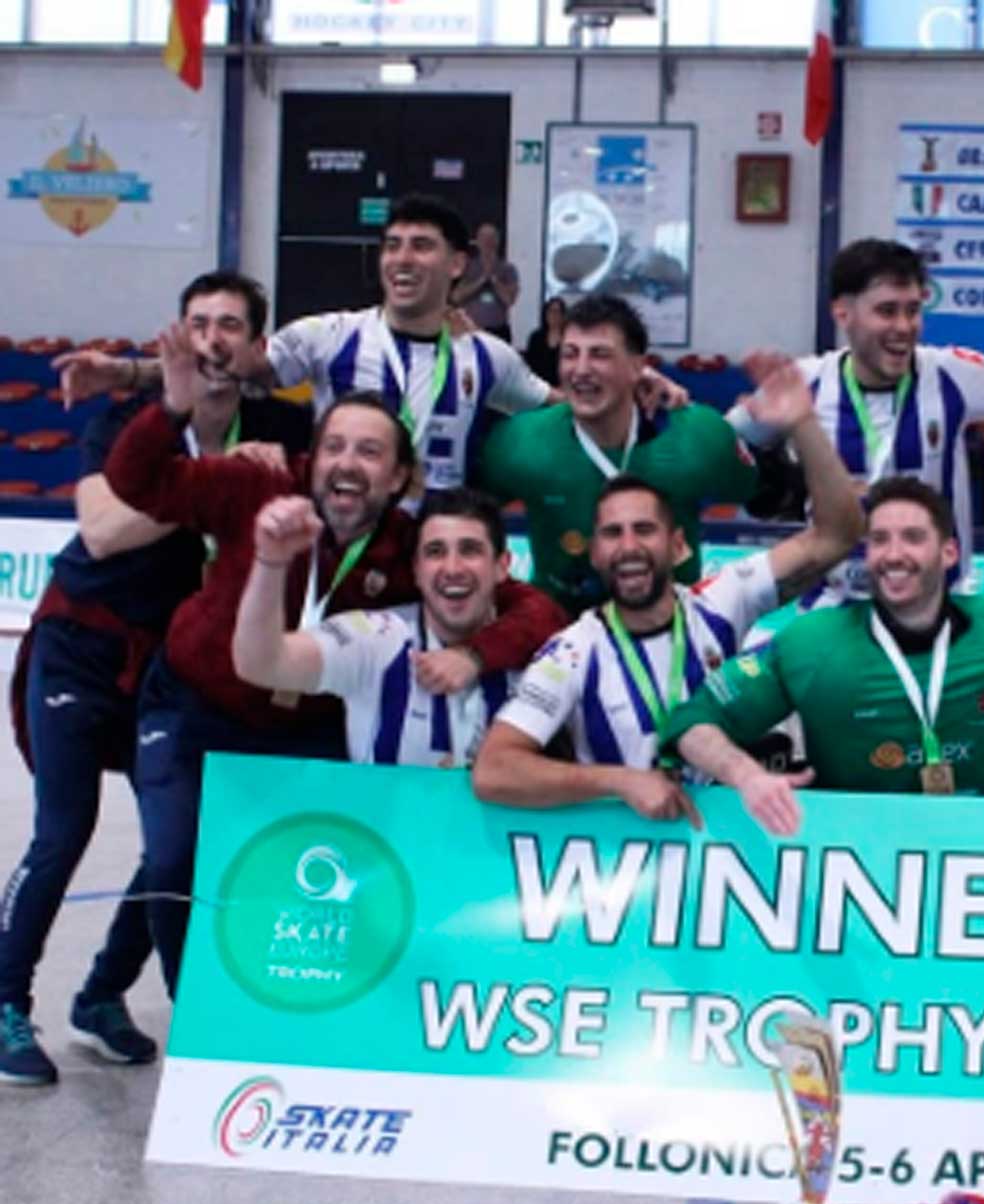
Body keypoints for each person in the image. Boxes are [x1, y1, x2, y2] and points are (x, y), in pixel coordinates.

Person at [102, 324, 563, 997]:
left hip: (304, 728)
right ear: (311, 458)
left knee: (297, 869)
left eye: (370, 453)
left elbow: (534, 611)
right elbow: (136, 482)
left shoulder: (413, 544)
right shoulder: (252, 485)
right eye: (335, 448)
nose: (348, 464)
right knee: (176, 858)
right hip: (197, 704)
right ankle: (197, 1019)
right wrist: (169, 409)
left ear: (402, 476)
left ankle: (114, 992)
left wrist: (473, 653)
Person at [0, 271, 312, 1087]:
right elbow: (102, 531)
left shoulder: (283, 422)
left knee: (175, 841)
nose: (213, 338)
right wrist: (221, 482)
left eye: (231, 326)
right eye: (199, 322)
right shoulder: (128, 421)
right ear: (177, 333)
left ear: (255, 346)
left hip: (174, 665)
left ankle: (102, 993)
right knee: (64, 829)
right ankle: (5, 1000)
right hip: (82, 647)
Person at [472, 355, 864, 812]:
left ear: (678, 545)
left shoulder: (720, 601)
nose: (629, 547)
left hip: (726, 848)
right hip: (620, 866)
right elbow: (494, 770)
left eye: (645, 530)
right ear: (595, 554)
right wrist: (620, 781)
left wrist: (803, 426)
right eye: (613, 534)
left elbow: (837, 535)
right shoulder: (573, 652)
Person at [663, 477, 984, 836]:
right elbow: (692, 722)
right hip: (851, 867)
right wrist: (746, 775)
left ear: (949, 552)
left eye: (912, 538)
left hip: (976, 861)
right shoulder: (815, 643)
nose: (894, 555)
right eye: (879, 540)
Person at [55, 194, 553, 494]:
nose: (402, 259)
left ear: (457, 264)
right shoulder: (328, 336)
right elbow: (228, 365)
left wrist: (627, 390)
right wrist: (123, 373)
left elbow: (562, 406)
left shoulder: (489, 356)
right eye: (392, 245)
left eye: (421, 246)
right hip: (341, 542)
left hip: (433, 555)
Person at [726, 238, 984, 606]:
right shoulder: (804, 384)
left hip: (939, 603)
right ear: (843, 314)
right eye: (887, 311)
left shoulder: (952, 372)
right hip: (837, 602)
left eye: (913, 310)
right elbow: (716, 440)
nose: (904, 326)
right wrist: (664, 389)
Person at [473, 295, 763, 614]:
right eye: (570, 354)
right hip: (559, 634)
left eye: (600, 354)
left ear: (638, 365)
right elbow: (467, 517)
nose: (580, 370)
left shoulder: (699, 435)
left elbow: (767, 499)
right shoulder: (518, 441)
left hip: (673, 632)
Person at [233, 487, 527, 767]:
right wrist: (271, 561)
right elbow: (262, 664)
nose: (452, 569)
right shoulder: (377, 639)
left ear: (503, 566)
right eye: (435, 552)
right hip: (381, 820)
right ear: (416, 571)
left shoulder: (536, 650)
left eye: (470, 550)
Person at [453, 221, 521, 341]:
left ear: (497, 241)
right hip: (471, 329)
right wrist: (481, 280)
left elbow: (509, 300)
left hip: (498, 330)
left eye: (491, 238)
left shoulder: (508, 269)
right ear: (477, 241)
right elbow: (456, 297)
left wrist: (494, 280)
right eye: (484, 238)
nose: (487, 242)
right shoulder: (467, 267)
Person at [522, 296, 566, 386]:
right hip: (538, 387)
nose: (554, 315)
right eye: (551, 311)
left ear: (563, 316)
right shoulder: (536, 337)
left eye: (558, 312)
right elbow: (529, 366)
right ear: (545, 314)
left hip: (561, 388)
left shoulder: (568, 338)